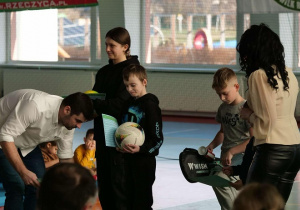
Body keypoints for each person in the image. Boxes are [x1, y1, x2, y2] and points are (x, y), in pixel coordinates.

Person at [0, 89, 94, 210]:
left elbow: (65, 158)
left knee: (39, 186)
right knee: (17, 186)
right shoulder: (35, 106)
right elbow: (5, 136)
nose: (79, 126)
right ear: (67, 110)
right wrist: (23, 172)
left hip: (27, 144)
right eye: (78, 121)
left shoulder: (69, 125)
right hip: (3, 140)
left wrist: (75, 185)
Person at [238, 23, 300, 203]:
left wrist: (248, 115)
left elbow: (268, 120)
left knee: (252, 204)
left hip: (273, 148)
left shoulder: (258, 75)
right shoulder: (288, 73)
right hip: (295, 148)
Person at [92, 27, 140, 210]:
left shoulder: (131, 71)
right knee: (104, 188)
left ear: (125, 47)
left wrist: (97, 104)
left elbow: (118, 105)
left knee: (119, 188)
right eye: (106, 45)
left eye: (112, 45)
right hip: (102, 137)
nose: (107, 49)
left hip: (121, 138)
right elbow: (95, 98)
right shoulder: (104, 72)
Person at [205, 67, 253, 210]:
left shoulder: (246, 108)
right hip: (225, 156)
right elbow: (222, 132)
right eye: (218, 94)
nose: (222, 98)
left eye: (225, 93)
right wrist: (212, 145)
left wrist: (232, 151)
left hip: (241, 157)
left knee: (219, 181)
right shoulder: (223, 108)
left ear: (236, 87)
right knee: (230, 189)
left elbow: (253, 139)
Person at [119, 64, 163, 210]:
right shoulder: (128, 103)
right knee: (128, 200)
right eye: (126, 86)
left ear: (144, 82)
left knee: (142, 202)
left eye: (133, 85)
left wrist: (141, 149)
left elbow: (158, 140)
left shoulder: (150, 105)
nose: (129, 89)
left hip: (144, 163)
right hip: (128, 160)